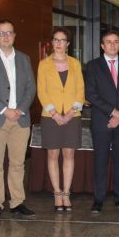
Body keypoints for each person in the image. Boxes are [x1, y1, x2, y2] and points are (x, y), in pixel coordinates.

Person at [0, 19, 36, 220]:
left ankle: (17, 202)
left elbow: (31, 88)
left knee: (18, 163)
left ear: (14, 35)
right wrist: (4, 110)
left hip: (20, 119)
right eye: (1, 33)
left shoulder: (24, 58)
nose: (6, 36)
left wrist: (20, 109)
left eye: (9, 33)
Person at [85, 30, 119, 213]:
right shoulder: (93, 66)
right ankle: (98, 199)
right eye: (108, 42)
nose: (113, 45)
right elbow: (90, 94)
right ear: (102, 45)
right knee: (100, 161)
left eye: (116, 42)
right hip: (102, 122)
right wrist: (113, 112)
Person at [37, 27, 85, 212]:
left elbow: (80, 90)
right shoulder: (43, 64)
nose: (58, 43)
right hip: (51, 117)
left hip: (72, 116)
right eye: (55, 40)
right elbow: (42, 91)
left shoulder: (75, 63)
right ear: (52, 42)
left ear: (68, 44)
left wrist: (72, 112)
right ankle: (57, 193)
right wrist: (55, 114)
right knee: (52, 154)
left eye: (62, 40)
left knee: (69, 154)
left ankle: (66, 192)